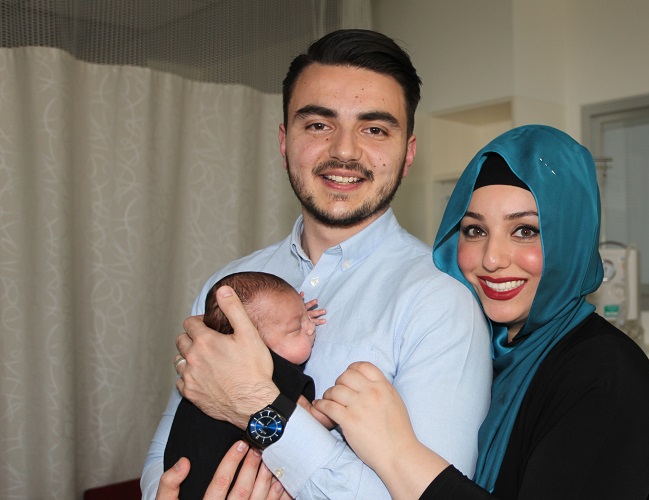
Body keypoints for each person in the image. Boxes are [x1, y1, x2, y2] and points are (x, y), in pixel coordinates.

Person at [141, 29, 492, 499]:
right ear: (285, 141)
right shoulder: (230, 287)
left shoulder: (441, 302)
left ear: (407, 153)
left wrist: (255, 405)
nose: (344, 151)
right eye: (318, 125)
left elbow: (430, 493)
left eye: (374, 129)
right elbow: (165, 458)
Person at [316, 124, 649, 499]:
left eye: (525, 231)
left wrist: (395, 451)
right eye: (474, 230)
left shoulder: (605, 374)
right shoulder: (484, 351)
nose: (491, 258)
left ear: (571, 238)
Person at [163, 271, 328, 499]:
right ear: (254, 343)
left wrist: (294, 316)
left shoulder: (212, 362)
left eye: (307, 316)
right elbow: (312, 419)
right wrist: (338, 408)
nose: (310, 328)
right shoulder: (269, 367)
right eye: (295, 328)